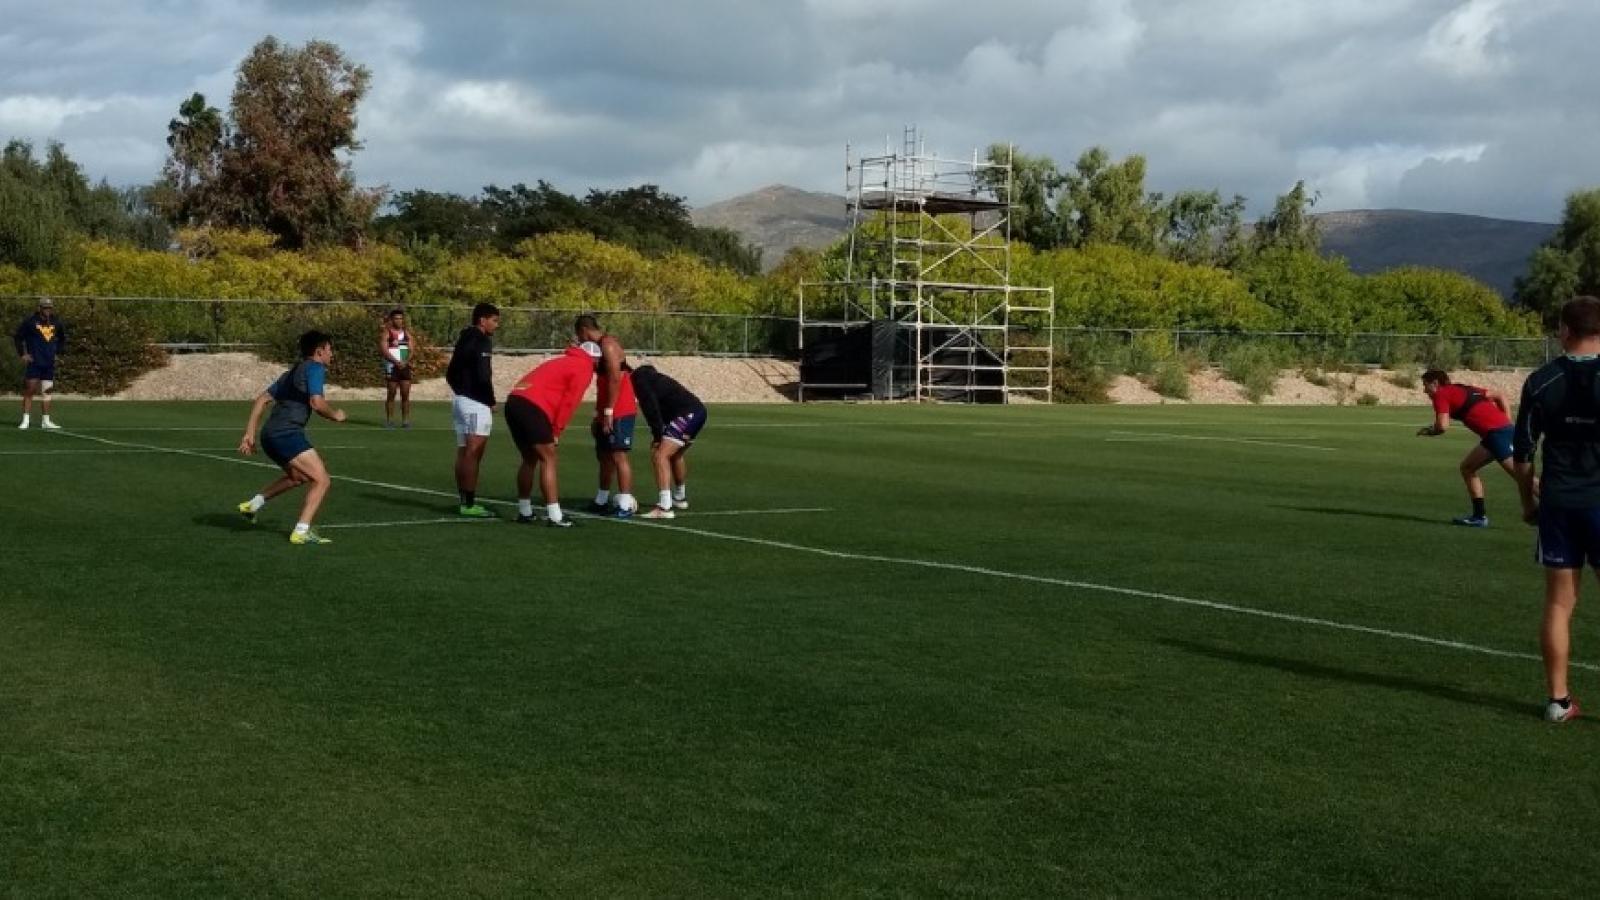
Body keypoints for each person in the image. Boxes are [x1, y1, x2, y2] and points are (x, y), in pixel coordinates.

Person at [1514, 295, 1600, 724]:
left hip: (1560, 503)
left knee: (1559, 604)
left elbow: (1523, 454)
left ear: (1565, 330)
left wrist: (1528, 501)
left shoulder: (1541, 380)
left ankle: (1558, 701)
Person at [236, 330, 348, 545]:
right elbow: (316, 402)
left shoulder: (291, 373)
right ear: (319, 351)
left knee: (298, 477)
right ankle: (301, 531)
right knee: (322, 480)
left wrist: (249, 434)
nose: (332, 354)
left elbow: (261, 400)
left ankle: (253, 505)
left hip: (269, 435)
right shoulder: (315, 368)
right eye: (330, 349)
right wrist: (336, 415)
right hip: (286, 433)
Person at [504, 342, 601, 527]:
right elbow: (569, 401)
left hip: (514, 401)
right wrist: (557, 430)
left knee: (529, 458)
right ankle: (555, 516)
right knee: (548, 458)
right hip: (532, 406)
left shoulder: (564, 360)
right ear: (595, 359)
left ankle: (525, 511)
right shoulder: (584, 367)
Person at [1417, 370, 1517, 526]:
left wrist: (1429, 431)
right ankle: (1479, 517)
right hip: (1496, 434)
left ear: (1435, 383)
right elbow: (1500, 395)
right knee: (1467, 468)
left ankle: (1557, 512)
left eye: (1425, 385)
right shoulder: (1461, 388)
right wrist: (1507, 423)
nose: (1424, 390)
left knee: (1523, 478)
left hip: (1497, 435)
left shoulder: (1440, 394)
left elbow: (1442, 426)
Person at [631, 363, 707, 520]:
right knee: (676, 454)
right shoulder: (654, 378)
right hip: (698, 412)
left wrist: (657, 436)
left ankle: (665, 507)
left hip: (686, 414)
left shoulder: (640, 381)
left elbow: (651, 408)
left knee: (660, 455)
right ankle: (680, 497)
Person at [446, 303, 500, 518]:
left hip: (460, 401)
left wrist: (461, 391)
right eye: (494, 320)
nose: (496, 325)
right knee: (474, 453)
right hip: (475, 403)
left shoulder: (464, 338)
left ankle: (464, 501)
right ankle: (469, 504)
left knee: (463, 451)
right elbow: (483, 375)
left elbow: (450, 373)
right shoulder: (482, 340)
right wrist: (490, 400)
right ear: (482, 320)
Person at [589, 360, 639, 518]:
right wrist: (597, 417)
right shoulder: (602, 372)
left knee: (619, 455)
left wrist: (609, 414)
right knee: (604, 456)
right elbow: (602, 396)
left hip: (621, 414)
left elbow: (615, 391)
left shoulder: (617, 371)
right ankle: (601, 500)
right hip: (605, 416)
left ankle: (625, 504)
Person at [14, 297, 66, 430]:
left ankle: (46, 420)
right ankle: (25, 419)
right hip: (35, 362)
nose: (48, 310)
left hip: (49, 363)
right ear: (40, 308)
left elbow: (62, 338)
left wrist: (57, 352)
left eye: (49, 308)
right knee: (30, 390)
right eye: (45, 307)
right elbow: (18, 337)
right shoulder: (30, 322)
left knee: (47, 391)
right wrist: (23, 354)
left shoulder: (56, 322)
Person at [379, 308, 414, 429]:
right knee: (391, 393)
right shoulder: (387, 333)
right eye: (396, 318)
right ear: (391, 320)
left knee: (405, 394)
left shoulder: (407, 334)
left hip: (404, 366)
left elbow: (411, 350)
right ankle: (389, 420)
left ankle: (406, 421)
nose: (399, 321)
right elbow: (384, 351)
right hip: (392, 366)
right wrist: (395, 361)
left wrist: (405, 362)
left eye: (401, 318)